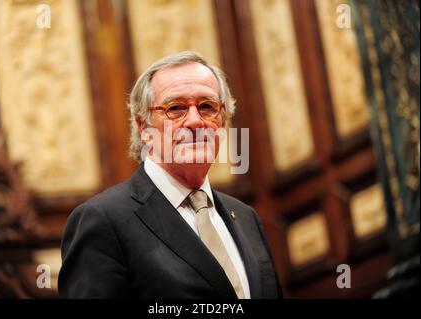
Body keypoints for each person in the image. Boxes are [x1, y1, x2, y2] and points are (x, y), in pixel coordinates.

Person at [58, 51, 282, 298]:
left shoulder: (245, 217)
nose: (195, 121)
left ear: (223, 122)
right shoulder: (103, 220)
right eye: (175, 108)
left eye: (207, 106)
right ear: (144, 127)